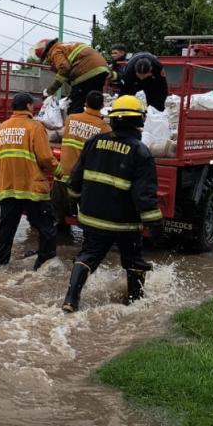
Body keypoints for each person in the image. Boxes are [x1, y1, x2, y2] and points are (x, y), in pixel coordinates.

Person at [61, 95, 163, 313]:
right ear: (140, 122)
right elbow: (143, 195)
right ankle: (135, 305)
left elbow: (75, 179)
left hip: (92, 218)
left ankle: (70, 300)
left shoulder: (94, 143)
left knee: (88, 256)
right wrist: (155, 225)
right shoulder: (140, 152)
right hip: (124, 224)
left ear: (113, 119)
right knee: (134, 261)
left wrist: (76, 200)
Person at [0, 93, 60, 271]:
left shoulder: (2, 128)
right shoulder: (34, 127)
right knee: (47, 226)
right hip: (32, 187)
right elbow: (46, 158)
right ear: (30, 107)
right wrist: (60, 171)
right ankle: (45, 265)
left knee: (6, 227)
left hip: (7, 186)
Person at [52, 90, 112, 236]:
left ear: (85, 104)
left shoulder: (71, 119)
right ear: (102, 106)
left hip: (62, 176)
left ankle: (55, 251)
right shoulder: (105, 129)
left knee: (56, 220)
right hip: (85, 181)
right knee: (88, 221)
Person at [33, 38, 111, 115]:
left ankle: (74, 126)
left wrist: (51, 90)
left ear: (46, 52)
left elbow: (64, 68)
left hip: (86, 73)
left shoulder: (55, 51)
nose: (48, 60)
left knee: (74, 108)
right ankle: (93, 124)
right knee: (93, 105)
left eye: (45, 58)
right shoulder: (67, 46)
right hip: (102, 71)